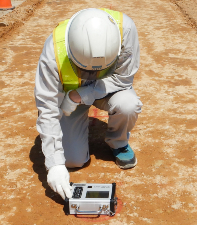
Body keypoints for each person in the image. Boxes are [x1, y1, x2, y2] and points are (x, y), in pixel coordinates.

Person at [34, 8, 143, 200]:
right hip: (69, 99)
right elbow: (47, 107)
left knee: (128, 104)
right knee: (71, 161)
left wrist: (80, 94)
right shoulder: (53, 53)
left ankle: (118, 143)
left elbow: (124, 80)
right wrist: (55, 164)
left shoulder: (125, 31)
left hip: (107, 91)